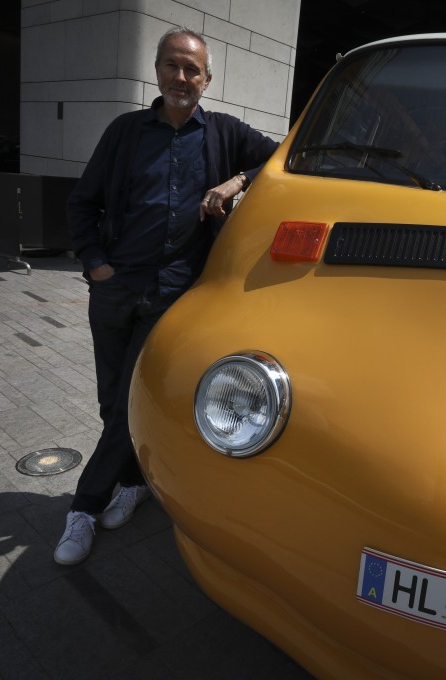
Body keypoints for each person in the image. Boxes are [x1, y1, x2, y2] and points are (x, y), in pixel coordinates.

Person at [54, 27, 279, 565]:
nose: (181, 77)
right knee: (113, 400)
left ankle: (82, 508)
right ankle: (134, 482)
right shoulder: (125, 132)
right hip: (115, 288)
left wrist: (238, 181)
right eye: (172, 66)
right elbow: (82, 202)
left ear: (207, 79)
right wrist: (95, 264)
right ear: (157, 70)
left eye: (192, 70)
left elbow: (284, 157)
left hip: (173, 294)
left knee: (129, 401)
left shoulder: (224, 133)